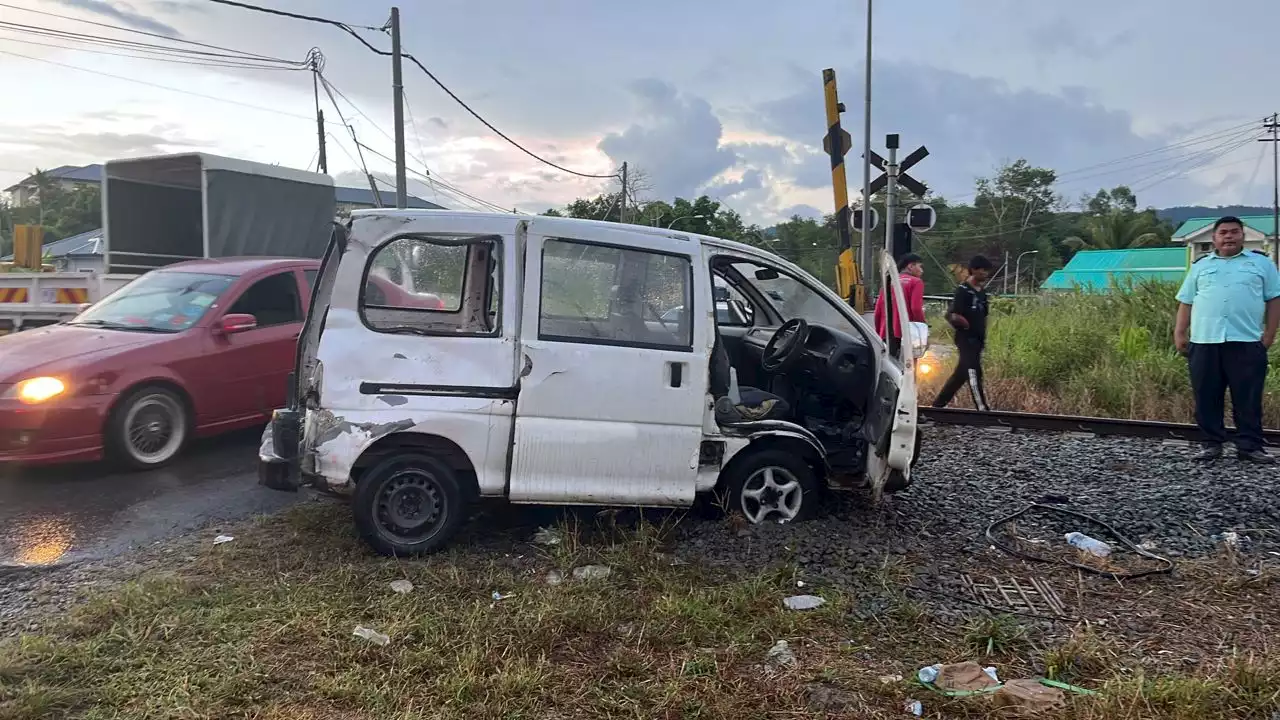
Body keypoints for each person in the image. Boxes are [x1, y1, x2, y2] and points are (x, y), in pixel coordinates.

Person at [1174, 216, 1280, 463]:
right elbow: (1186, 300)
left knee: (1248, 397)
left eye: (1234, 232)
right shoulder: (1200, 266)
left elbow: (1274, 299)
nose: (1229, 236)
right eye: (1223, 233)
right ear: (1215, 238)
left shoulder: (1262, 264)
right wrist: (1180, 332)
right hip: (1204, 341)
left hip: (1245, 341)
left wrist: (1270, 333)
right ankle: (1212, 445)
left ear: (1243, 236)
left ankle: (1249, 447)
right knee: (1207, 395)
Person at [932, 255, 994, 410]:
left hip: (978, 339)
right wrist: (964, 324)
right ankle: (982, 407)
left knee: (960, 375)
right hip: (966, 339)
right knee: (974, 371)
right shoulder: (963, 291)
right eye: (982, 270)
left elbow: (984, 315)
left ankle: (938, 405)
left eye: (987, 271)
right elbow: (951, 314)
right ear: (973, 270)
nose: (985, 274)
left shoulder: (982, 293)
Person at [873, 252, 927, 352]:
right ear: (911, 266)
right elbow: (916, 308)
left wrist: (878, 332)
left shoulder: (888, 283)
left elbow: (878, 312)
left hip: (885, 333)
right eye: (920, 266)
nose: (922, 271)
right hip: (906, 335)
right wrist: (922, 327)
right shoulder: (916, 282)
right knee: (907, 366)